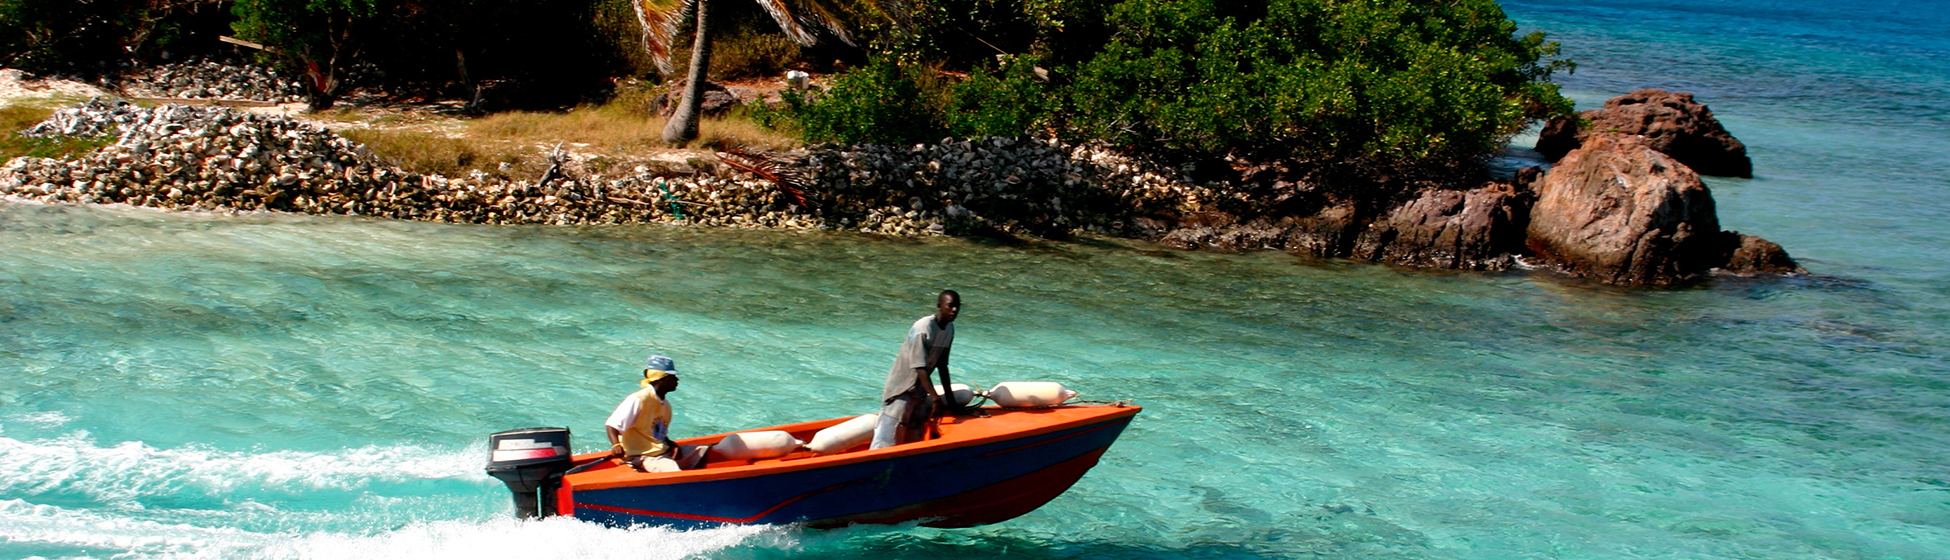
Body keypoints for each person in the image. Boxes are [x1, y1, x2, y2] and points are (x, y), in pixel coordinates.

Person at [871, 290, 966, 449]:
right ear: (939, 306)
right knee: (887, 440)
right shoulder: (923, 328)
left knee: (914, 437)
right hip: (901, 390)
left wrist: (951, 403)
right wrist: (935, 398)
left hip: (919, 392)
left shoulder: (949, 329)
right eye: (950, 306)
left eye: (957, 306)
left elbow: (942, 366)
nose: (954, 310)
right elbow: (919, 367)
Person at [605, 354, 709, 472]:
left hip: (661, 452)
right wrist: (616, 445)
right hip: (642, 456)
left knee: (704, 451)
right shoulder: (639, 399)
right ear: (661, 380)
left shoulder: (665, 404)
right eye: (673, 377)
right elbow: (612, 425)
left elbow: (657, 434)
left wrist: (670, 445)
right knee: (673, 472)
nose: (677, 380)